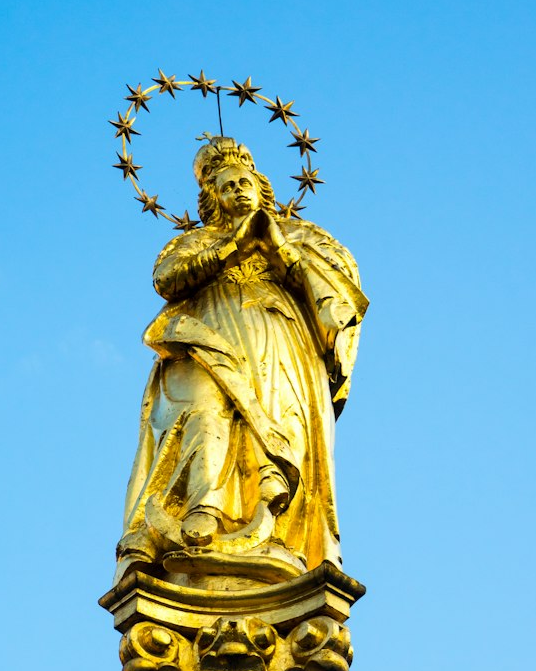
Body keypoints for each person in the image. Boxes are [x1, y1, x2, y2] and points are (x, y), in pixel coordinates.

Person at [114, 136, 368, 584]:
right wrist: (232, 246)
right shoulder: (197, 241)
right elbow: (167, 280)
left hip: (281, 340)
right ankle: (205, 510)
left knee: (280, 423)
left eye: (244, 182)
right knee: (204, 416)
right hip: (209, 338)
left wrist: (277, 247)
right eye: (226, 186)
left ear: (262, 186)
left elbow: (338, 299)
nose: (237, 191)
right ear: (212, 199)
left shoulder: (297, 237)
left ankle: (272, 523)